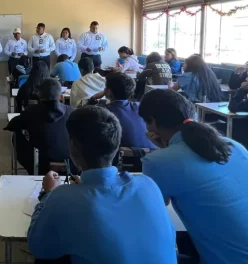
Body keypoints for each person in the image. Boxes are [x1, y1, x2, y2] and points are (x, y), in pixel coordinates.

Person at [140, 89, 248, 264]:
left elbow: (152, 214)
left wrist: (164, 152)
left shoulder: (157, 162)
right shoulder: (232, 145)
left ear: (152, 122)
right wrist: (167, 149)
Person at [27, 106, 177, 264]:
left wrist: (48, 193)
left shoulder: (62, 198)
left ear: (72, 146)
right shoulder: (148, 185)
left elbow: (37, 246)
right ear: (116, 145)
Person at [5, 79, 75, 175]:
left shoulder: (31, 112)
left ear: (39, 96)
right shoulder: (72, 112)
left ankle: (30, 170)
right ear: (61, 97)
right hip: (72, 164)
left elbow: (12, 125)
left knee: (16, 135)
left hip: (41, 165)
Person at [103, 72, 156, 149]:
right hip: (153, 151)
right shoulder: (140, 106)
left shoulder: (104, 111)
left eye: (105, 86)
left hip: (126, 155)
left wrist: (92, 99)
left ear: (109, 91)